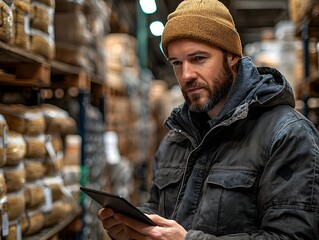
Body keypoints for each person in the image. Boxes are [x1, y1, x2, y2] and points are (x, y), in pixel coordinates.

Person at [98, 0, 319, 239]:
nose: (186, 75)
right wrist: (134, 225)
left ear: (232, 56)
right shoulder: (177, 138)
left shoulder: (286, 135)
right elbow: (158, 207)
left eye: (199, 58)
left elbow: (292, 236)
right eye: (177, 63)